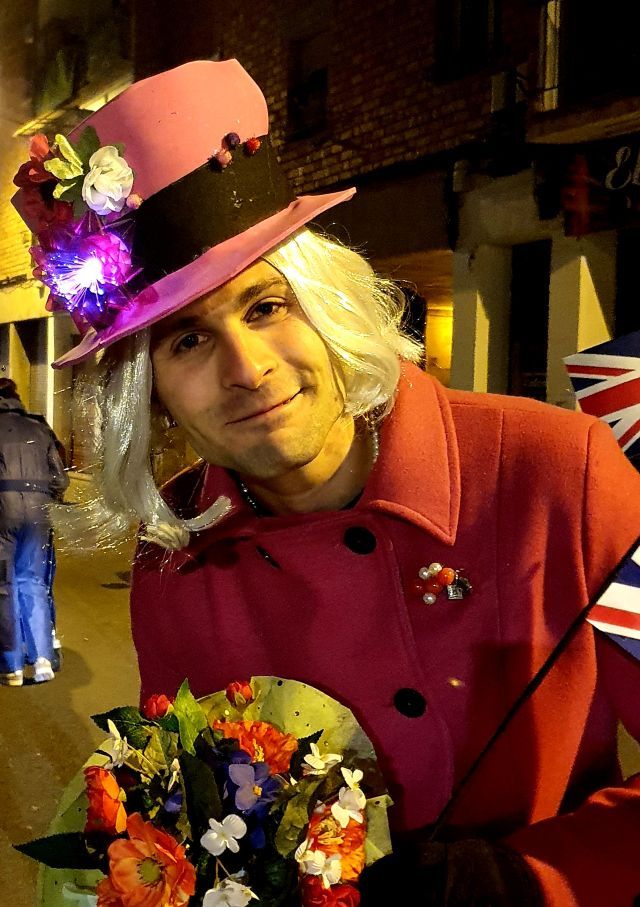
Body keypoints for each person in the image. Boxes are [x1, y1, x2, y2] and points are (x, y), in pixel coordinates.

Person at [11, 60, 640, 905]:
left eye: (267, 307)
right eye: (187, 340)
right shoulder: (173, 563)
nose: (248, 368)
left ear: (327, 303)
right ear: (150, 395)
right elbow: (202, 811)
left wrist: (528, 880)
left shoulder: (559, 469)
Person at [0, 378, 68, 685]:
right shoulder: (39, 427)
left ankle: (12, 666)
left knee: (5, 584)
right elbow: (60, 479)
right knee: (34, 582)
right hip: (39, 512)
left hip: (3, 512)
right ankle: (42, 660)